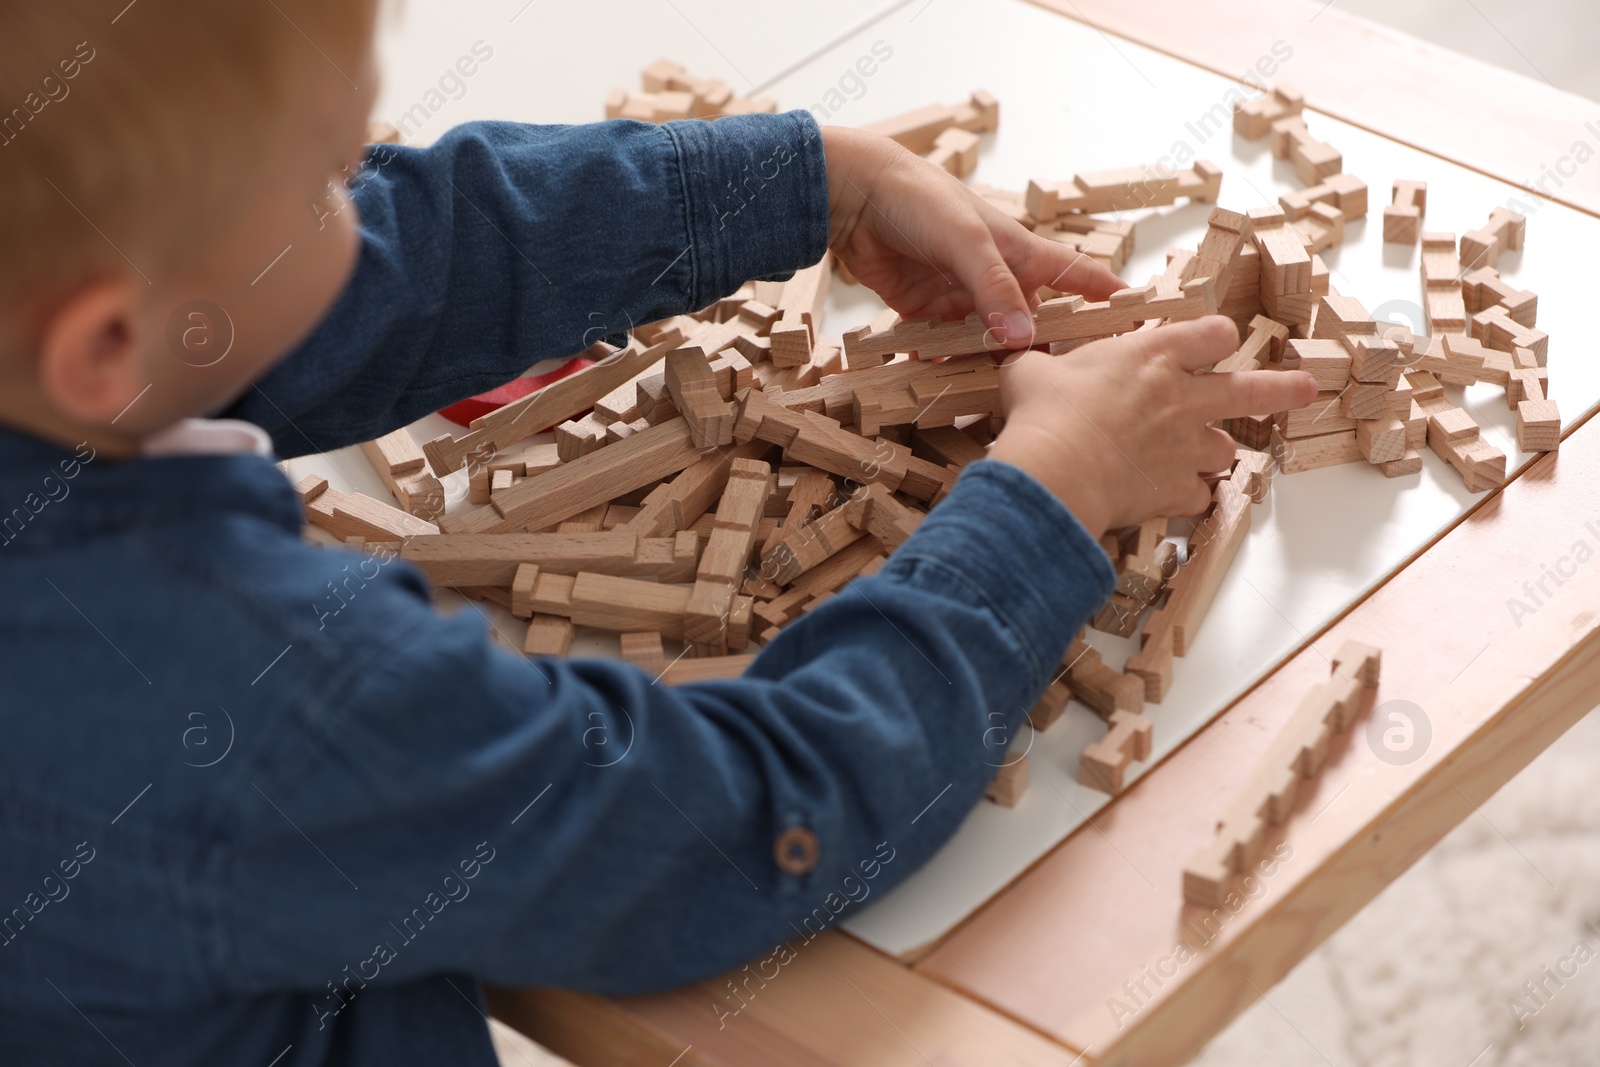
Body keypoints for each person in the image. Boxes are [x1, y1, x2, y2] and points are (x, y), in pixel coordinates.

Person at [0, 2, 1316, 1064]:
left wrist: (800, 184)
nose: (371, 189)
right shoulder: (261, 704)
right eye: (335, 176)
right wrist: (1049, 494)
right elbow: (745, 828)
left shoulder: (58, 337)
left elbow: (376, 274)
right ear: (109, 342)